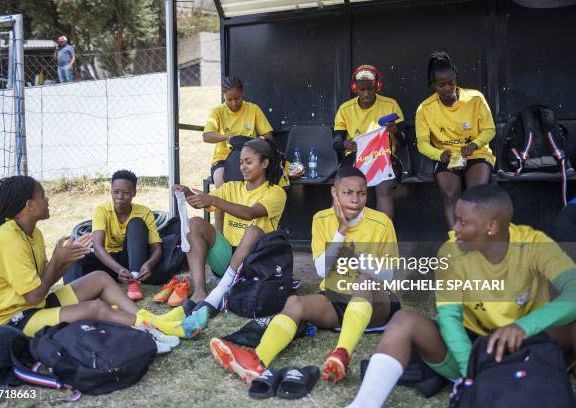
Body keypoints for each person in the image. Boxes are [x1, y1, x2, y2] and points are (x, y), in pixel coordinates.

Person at [346, 184, 576, 407]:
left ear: (491, 227)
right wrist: (473, 370)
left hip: (530, 345)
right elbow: (449, 318)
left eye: (463, 222)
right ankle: (364, 403)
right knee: (403, 321)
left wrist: (523, 327)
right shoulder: (450, 251)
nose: (454, 228)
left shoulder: (533, 243)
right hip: (471, 348)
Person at [209, 166, 401, 385]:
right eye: (348, 193)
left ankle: (341, 354)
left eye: (362, 193)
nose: (355, 199)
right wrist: (341, 231)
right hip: (336, 300)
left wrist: (359, 260)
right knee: (294, 302)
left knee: (364, 280)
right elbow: (321, 271)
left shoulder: (381, 222)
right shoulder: (322, 219)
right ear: (334, 193)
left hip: (376, 303)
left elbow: (388, 275)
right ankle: (257, 359)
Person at [0, 176, 205, 345]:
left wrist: (68, 258)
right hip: (9, 323)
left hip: (31, 307)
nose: (48, 199)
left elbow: (41, 282)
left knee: (100, 278)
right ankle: (156, 330)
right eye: (42, 195)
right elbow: (34, 295)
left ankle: (151, 321)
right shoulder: (9, 240)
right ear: (29, 205)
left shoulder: (33, 233)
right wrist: (58, 261)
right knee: (95, 308)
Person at [172, 138, 286, 315]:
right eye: (241, 162)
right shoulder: (231, 187)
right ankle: (200, 293)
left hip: (255, 261)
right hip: (226, 257)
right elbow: (202, 203)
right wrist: (186, 193)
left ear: (264, 163)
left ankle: (219, 292)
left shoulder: (276, 192)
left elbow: (250, 213)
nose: (243, 167)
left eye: (249, 162)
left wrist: (213, 199)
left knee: (253, 231)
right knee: (195, 223)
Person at [64, 170, 177, 302]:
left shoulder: (144, 212)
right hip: (108, 262)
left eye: (126, 193)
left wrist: (149, 264)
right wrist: (118, 270)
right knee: (73, 255)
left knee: (136, 223)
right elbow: (98, 247)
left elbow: (156, 248)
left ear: (134, 193)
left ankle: (134, 283)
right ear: (111, 191)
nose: (120, 197)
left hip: (131, 262)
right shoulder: (102, 210)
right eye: (116, 192)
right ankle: (72, 296)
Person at [416, 51, 496, 228]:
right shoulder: (424, 109)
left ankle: (477, 237)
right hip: (448, 157)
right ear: (433, 84)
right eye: (441, 84)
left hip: (476, 153)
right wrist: (439, 154)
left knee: (476, 194)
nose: (447, 88)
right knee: (450, 195)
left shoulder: (475, 98)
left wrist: (474, 144)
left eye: (451, 83)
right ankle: (456, 242)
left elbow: (489, 130)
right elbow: (422, 143)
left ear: (456, 79)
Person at [203, 76, 274, 232]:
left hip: (249, 159)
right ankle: (221, 237)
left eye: (237, 98)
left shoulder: (253, 109)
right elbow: (206, 136)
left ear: (243, 93)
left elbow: (269, 136)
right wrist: (228, 137)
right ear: (223, 96)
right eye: (230, 99)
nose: (234, 103)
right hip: (223, 160)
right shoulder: (217, 112)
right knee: (222, 188)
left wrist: (256, 140)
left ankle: (253, 231)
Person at [333, 65, 405, 219]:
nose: (366, 93)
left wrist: (395, 131)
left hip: (384, 156)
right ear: (355, 88)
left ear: (377, 87)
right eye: (361, 89)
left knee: (384, 187)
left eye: (370, 89)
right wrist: (345, 144)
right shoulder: (345, 109)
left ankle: (382, 237)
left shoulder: (390, 105)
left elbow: (403, 142)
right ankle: (347, 236)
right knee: (348, 189)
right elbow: (336, 142)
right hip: (355, 157)